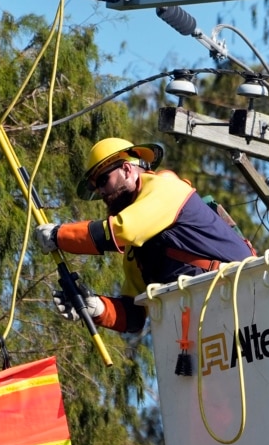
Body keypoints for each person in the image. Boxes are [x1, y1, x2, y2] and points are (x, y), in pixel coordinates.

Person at [34, 137, 255, 333]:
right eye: (95, 187)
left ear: (127, 170)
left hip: (248, 294)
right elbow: (135, 314)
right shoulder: (137, 248)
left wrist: (59, 235)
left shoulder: (166, 187)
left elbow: (122, 229)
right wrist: (96, 307)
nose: (101, 192)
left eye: (103, 180)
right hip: (207, 320)